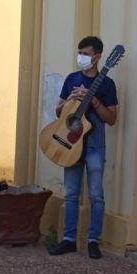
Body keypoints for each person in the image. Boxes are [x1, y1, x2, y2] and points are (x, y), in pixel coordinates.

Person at [48, 36, 118, 259]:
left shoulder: (107, 84)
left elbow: (112, 118)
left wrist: (94, 101)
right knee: (71, 193)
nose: (82, 57)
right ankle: (68, 239)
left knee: (96, 194)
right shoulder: (71, 78)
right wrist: (69, 99)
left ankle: (93, 240)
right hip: (70, 143)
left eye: (86, 54)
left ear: (97, 57)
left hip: (95, 145)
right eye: (80, 52)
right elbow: (59, 113)